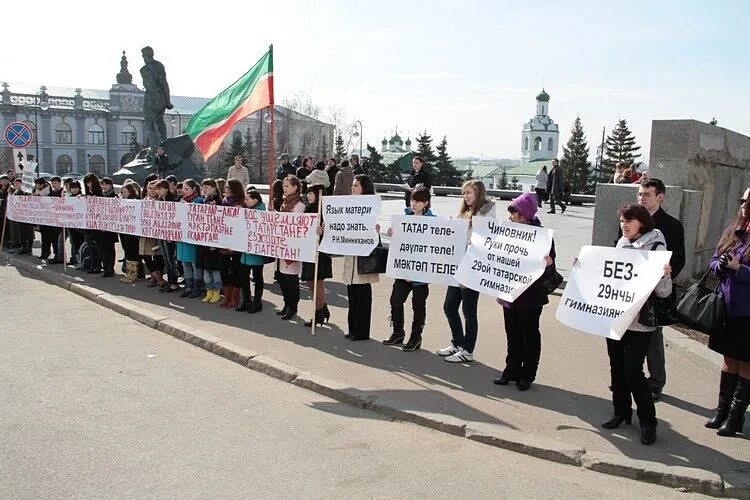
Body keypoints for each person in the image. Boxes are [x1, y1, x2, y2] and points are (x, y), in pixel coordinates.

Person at [601, 203, 672, 446]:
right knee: (616, 368)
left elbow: (664, 293)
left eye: (628, 221)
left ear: (641, 223)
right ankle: (621, 412)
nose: (624, 226)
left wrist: (665, 274)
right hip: (616, 319)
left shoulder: (656, 247)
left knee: (633, 372)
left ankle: (648, 422)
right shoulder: (621, 244)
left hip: (640, 324)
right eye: (621, 221)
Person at [493, 192, 556, 390]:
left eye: (514, 214)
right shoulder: (508, 232)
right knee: (512, 333)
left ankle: (527, 374)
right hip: (510, 293)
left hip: (530, 295)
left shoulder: (543, 237)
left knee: (528, 335)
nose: (510, 217)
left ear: (524, 216)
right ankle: (510, 370)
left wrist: (548, 263)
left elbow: (550, 264)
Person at [636, 178, 685, 401]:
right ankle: (633, 376)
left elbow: (679, 259)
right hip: (631, 289)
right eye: (639, 194)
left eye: (646, 194)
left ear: (660, 197)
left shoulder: (672, 225)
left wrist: (661, 279)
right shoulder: (631, 220)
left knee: (654, 338)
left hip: (656, 293)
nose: (641, 198)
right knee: (630, 335)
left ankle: (656, 381)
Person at [706, 189, 750, 437]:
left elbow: (741, 269)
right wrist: (721, 264)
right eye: (742, 200)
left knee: (746, 364)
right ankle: (722, 411)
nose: (743, 204)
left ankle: (735, 418)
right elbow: (713, 261)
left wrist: (740, 269)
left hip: (748, 312)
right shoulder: (734, 229)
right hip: (728, 307)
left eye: (748, 201)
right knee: (728, 360)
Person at [439, 180, 496, 363]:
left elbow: (482, 245)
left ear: (478, 193)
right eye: (464, 193)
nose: (466, 196)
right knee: (449, 306)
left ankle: (468, 350)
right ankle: (458, 343)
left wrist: (469, 271)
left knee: (469, 311)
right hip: (457, 267)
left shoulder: (486, 215)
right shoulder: (464, 212)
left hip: (472, 269)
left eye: (469, 193)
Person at [383, 186, 434, 351]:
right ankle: (398, 332)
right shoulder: (404, 218)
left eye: (418, 201)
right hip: (403, 270)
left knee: (418, 305)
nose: (414, 204)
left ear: (426, 203)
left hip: (420, 272)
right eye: (412, 200)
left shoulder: (433, 221)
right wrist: (393, 233)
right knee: (395, 300)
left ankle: (415, 336)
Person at [338, 174, 380, 340]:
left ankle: (362, 332)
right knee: (352, 294)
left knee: (362, 295)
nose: (352, 188)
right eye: (352, 186)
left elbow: (375, 227)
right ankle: (353, 328)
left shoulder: (371, 206)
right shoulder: (350, 205)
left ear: (364, 188)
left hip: (364, 256)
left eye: (356, 186)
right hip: (352, 254)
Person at [301, 184, 333, 327]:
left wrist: (324, 232)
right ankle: (323, 308)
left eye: (311, 193)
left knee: (317, 282)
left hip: (321, 253)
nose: (308, 196)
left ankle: (318, 314)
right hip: (309, 251)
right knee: (309, 281)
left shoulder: (327, 213)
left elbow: (334, 234)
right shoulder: (307, 210)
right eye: (307, 194)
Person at [277, 176, 306, 320]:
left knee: (291, 280)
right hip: (282, 244)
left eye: (288, 186)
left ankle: (293, 307)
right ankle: (286, 304)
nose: (285, 188)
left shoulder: (299, 205)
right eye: (284, 186)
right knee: (282, 278)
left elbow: (293, 224)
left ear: (295, 187)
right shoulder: (284, 203)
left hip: (292, 246)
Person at [238, 190, 268, 313]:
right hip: (245, 253)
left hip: (256, 253)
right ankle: (246, 300)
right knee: (244, 277)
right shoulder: (247, 211)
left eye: (247, 199)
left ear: (255, 200)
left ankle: (257, 302)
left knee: (257, 278)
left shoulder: (261, 212)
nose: (245, 201)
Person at [217, 179, 245, 309]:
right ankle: (227, 297)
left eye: (228, 188)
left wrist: (242, 212)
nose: (226, 190)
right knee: (224, 271)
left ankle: (234, 298)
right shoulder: (223, 202)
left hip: (236, 246)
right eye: (225, 188)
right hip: (223, 244)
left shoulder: (241, 204)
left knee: (235, 272)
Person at [140, 46, 173, 147]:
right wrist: (168, 101)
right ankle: (164, 144)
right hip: (161, 99)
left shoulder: (144, 70)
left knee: (149, 122)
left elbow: (150, 86)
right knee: (160, 121)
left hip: (151, 99)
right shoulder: (159, 66)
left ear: (144, 56)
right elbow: (164, 84)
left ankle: (154, 147)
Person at [176, 179, 204, 297]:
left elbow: (198, 217)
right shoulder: (182, 200)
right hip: (182, 237)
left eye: (187, 189)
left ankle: (197, 287)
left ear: (193, 189)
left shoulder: (199, 201)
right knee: (184, 262)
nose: (185, 191)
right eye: (184, 189)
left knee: (194, 263)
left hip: (192, 239)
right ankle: (188, 286)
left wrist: (187, 206)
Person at [197, 189, 224, 304]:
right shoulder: (203, 216)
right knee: (206, 273)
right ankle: (209, 291)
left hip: (215, 251)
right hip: (205, 249)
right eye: (208, 203)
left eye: (212, 203)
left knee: (215, 272)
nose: (210, 205)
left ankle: (217, 292)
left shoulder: (220, 216)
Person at [155, 180, 180, 291]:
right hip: (162, 233)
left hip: (170, 235)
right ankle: (170, 282)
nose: (158, 191)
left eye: (159, 189)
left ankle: (173, 282)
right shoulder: (160, 200)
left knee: (170, 260)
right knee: (166, 259)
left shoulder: (172, 200)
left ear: (166, 189)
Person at [118, 183, 142, 283]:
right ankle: (130, 273)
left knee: (133, 253)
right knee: (128, 252)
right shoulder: (123, 201)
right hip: (125, 232)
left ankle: (133, 274)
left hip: (133, 233)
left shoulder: (136, 201)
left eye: (125, 192)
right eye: (122, 192)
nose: (123, 194)